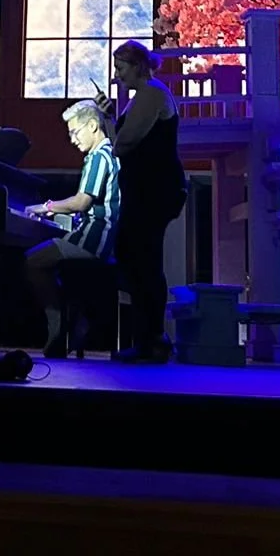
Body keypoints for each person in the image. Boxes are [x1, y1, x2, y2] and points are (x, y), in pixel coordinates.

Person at [98, 40, 187, 363]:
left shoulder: (151, 94)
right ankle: (149, 339)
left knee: (143, 261)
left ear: (137, 66)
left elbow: (123, 144)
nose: (117, 74)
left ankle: (152, 339)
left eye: (120, 67)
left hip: (153, 190)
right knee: (138, 259)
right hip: (146, 190)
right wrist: (111, 117)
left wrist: (109, 123)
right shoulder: (144, 96)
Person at [24, 99, 122, 359]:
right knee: (49, 262)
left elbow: (81, 202)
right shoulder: (110, 154)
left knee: (32, 261)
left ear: (93, 126)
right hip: (97, 239)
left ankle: (57, 324)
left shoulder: (99, 156)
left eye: (75, 132)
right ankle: (72, 318)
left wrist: (46, 207)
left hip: (92, 240)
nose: (72, 139)